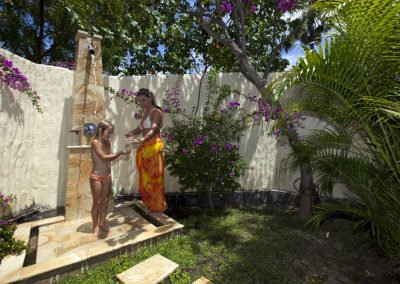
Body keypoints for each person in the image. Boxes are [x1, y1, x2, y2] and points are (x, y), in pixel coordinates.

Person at [125, 88, 168, 213]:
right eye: (139, 101)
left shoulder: (157, 111)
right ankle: (150, 203)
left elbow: (154, 129)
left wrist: (141, 140)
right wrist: (131, 132)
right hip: (144, 147)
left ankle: (158, 206)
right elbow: (140, 128)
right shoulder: (145, 112)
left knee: (155, 178)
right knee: (146, 177)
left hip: (153, 147)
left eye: (143, 100)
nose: (142, 103)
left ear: (150, 98)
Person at [90, 120, 131, 237]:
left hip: (107, 176)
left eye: (112, 133)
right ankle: (95, 226)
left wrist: (123, 152)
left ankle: (102, 223)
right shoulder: (95, 142)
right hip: (96, 177)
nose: (110, 135)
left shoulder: (108, 143)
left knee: (105, 201)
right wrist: (120, 153)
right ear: (100, 130)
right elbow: (104, 157)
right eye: (109, 132)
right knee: (97, 203)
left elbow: (110, 158)